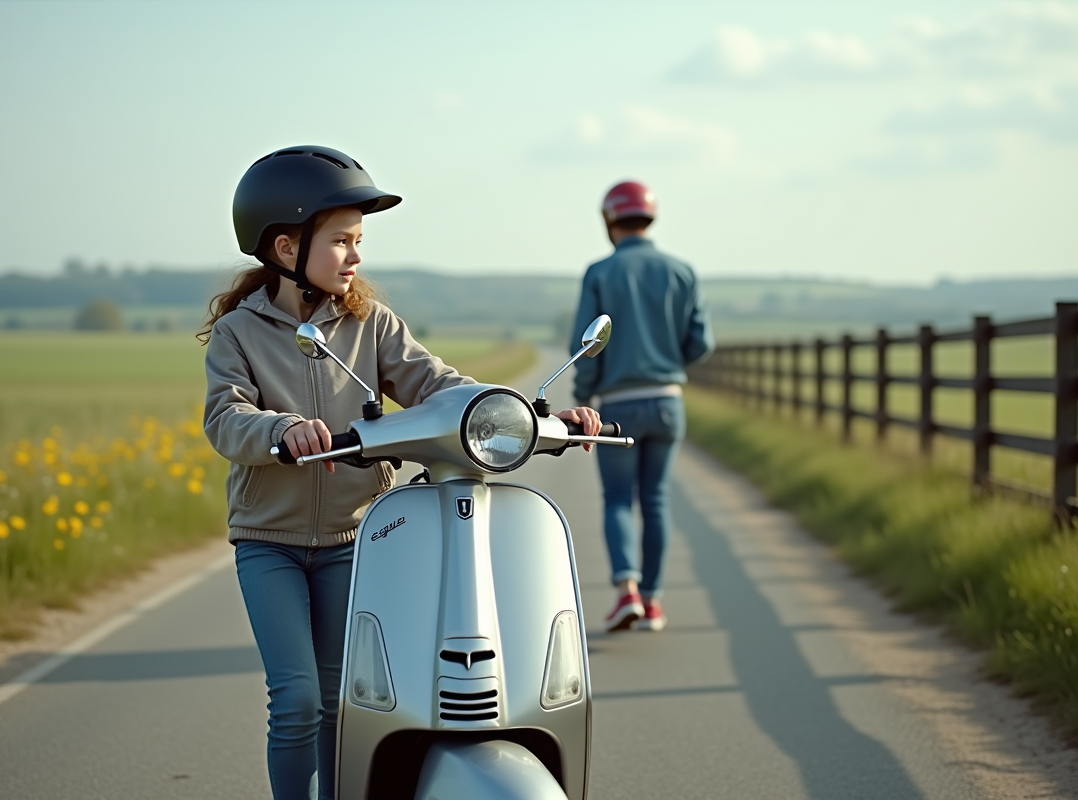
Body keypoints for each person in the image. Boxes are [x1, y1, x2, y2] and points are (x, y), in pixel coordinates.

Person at [200, 145, 600, 800]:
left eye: (358, 241)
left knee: (343, 701)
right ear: (283, 246)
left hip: (354, 540)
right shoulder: (239, 334)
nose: (355, 256)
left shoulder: (371, 323)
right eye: (341, 241)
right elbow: (226, 417)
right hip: (268, 542)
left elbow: (440, 386)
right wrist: (281, 431)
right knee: (297, 698)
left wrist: (528, 415)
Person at [569, 180, 714, 634]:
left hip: (618, 405)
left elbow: (588, 345)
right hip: (669, 402)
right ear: (649, 218)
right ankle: (652, 603)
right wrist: (668, 361)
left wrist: (583, 396)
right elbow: (702, 343)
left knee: (617, 499)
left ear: (610, 220)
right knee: (655, 500)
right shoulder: (682, 271)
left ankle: (626, 591)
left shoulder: (600, 273)